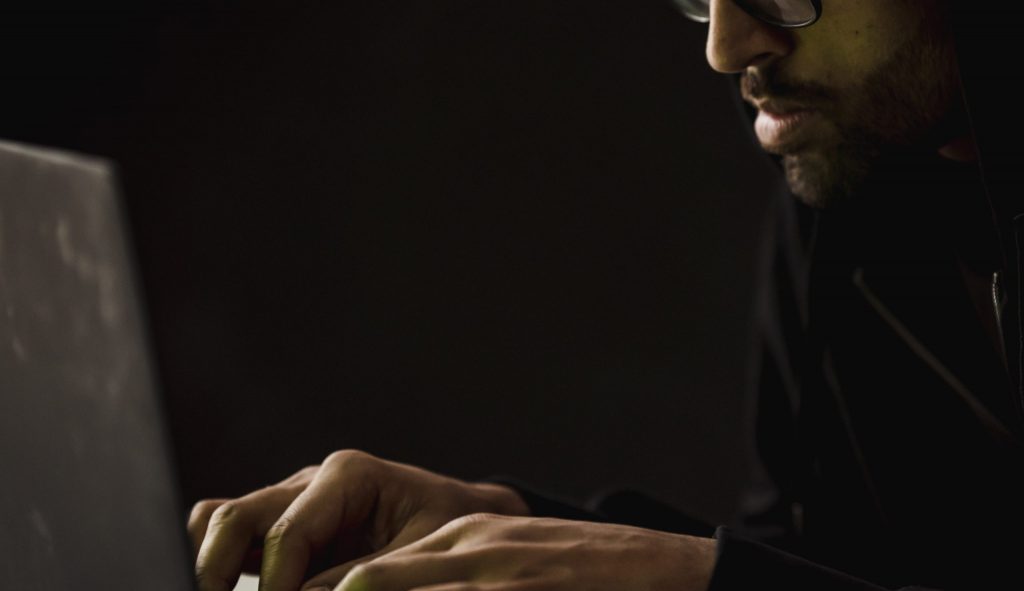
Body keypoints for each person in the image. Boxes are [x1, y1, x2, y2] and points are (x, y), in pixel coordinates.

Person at [188, 1, 1024, 590]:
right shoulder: (848, 176)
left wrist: (703, 581)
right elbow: (822, 559)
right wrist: (498, 525)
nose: (727, 46)